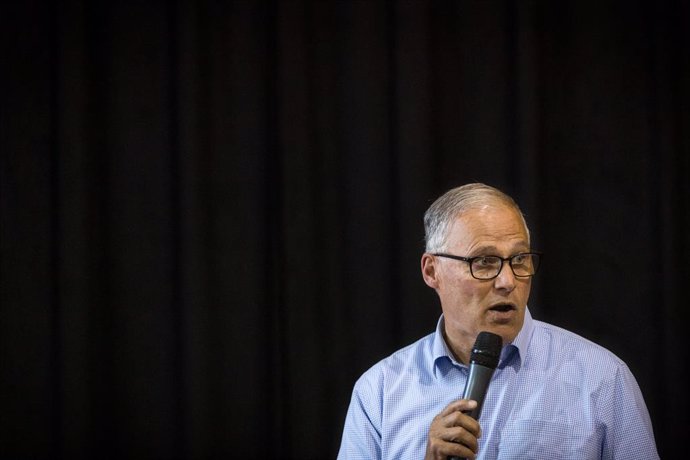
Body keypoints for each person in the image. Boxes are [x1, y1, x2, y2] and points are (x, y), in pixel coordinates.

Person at [337, 183, 658, 459]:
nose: (507, 281)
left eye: (519, 259)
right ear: (431, 271)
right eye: (485, 262)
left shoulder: (601, 377)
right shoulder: (380, 391)